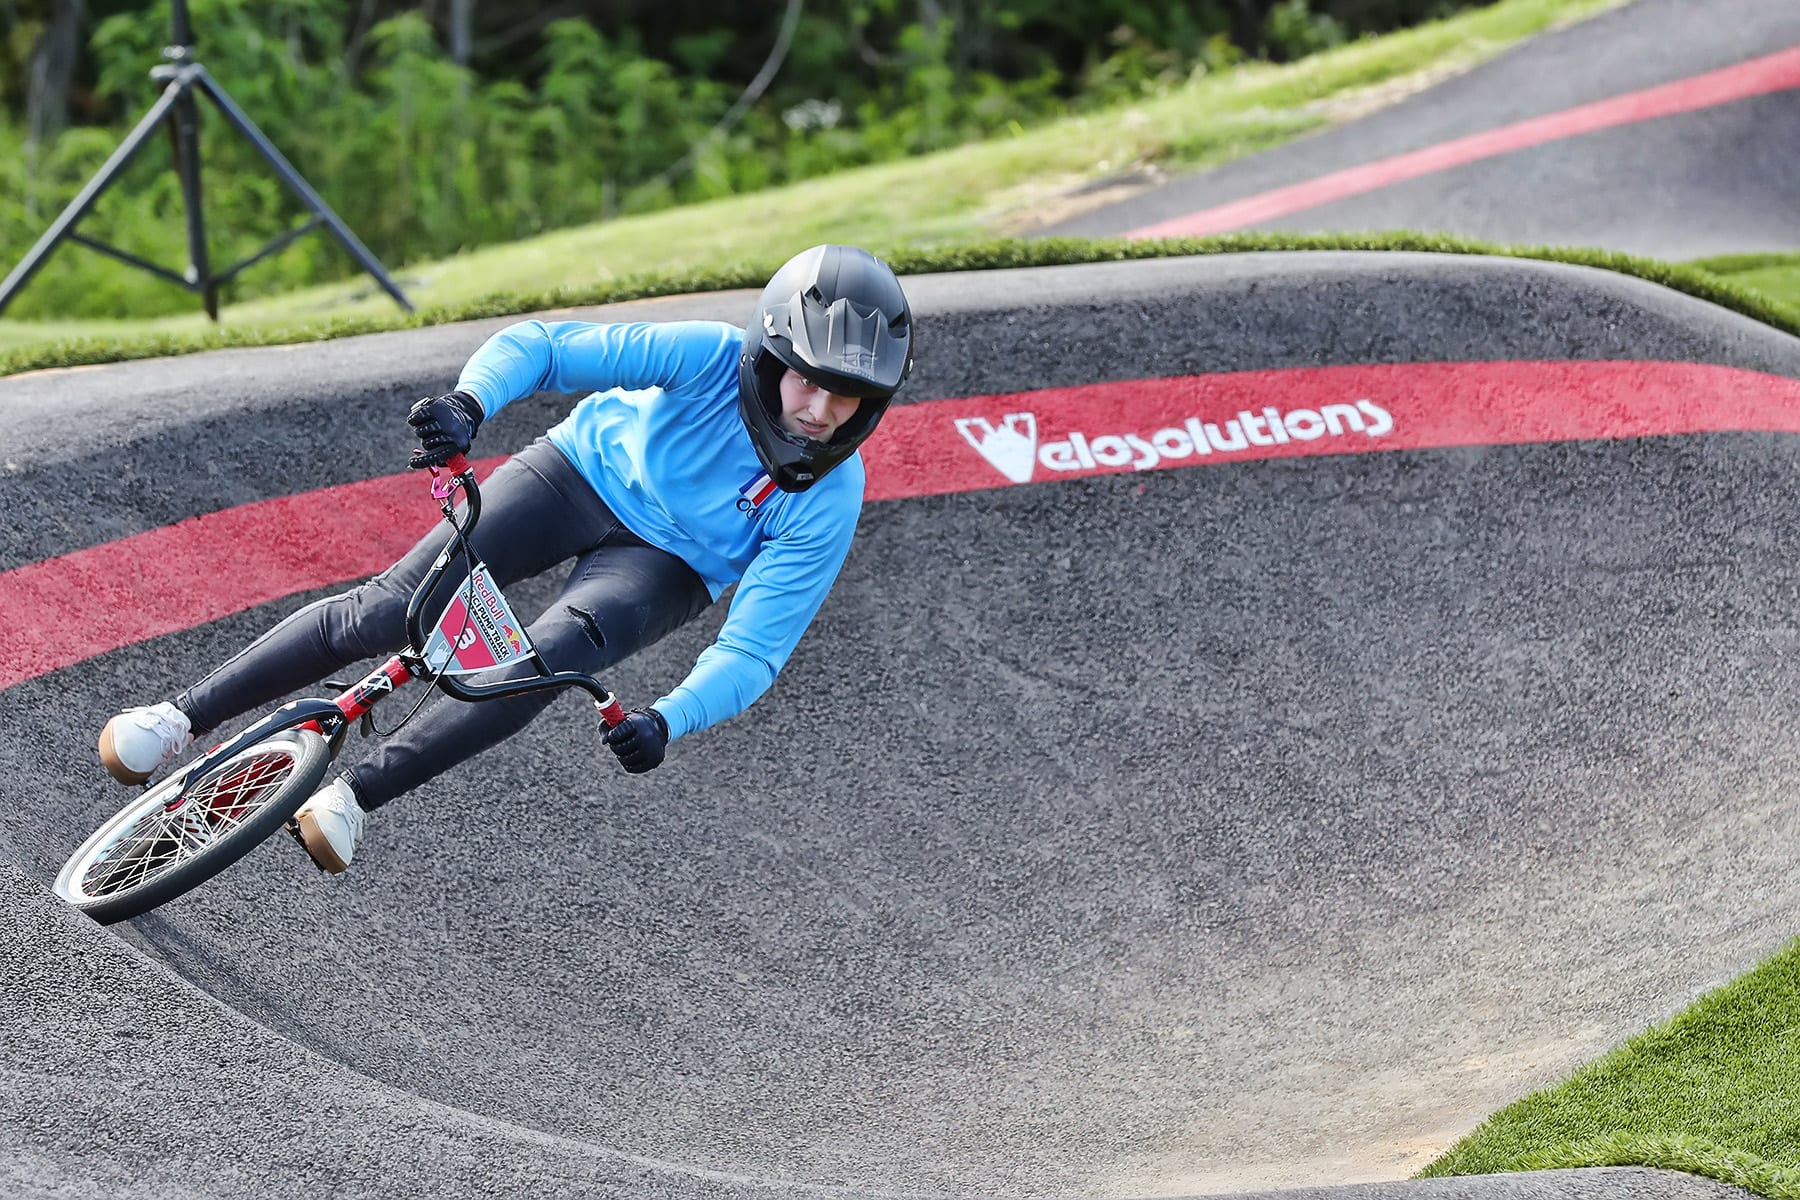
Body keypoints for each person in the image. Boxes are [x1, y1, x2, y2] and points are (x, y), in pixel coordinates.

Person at [96, 244, 914, 873]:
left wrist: (670, 717)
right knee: (389, 609)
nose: (820, 411)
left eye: (848, 398)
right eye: (807, 381)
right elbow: (547, 346)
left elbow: (753, 650)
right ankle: (177, 720)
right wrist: (469, 402)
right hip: (580, 473)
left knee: (541, 664)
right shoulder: (704, 356)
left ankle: (352, 799)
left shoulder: (830, 497)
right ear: (769, 356)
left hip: (670, 567)